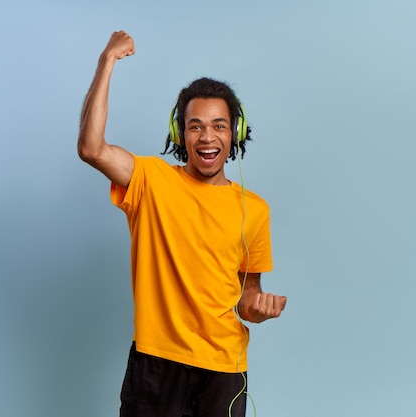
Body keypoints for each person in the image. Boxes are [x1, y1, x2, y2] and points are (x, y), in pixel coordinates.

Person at [78, 30, 287, 417]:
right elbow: (91, 148)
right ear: (180, 133)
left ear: (235, 132)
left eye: (219, 125)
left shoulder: (255, 210)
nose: (208, 136)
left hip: (224, 369)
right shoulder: (151, 181)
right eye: (195, 126)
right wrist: (106, 61)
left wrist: (258, 308)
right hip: (156, 364)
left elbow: (246, 296)